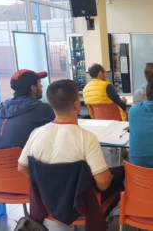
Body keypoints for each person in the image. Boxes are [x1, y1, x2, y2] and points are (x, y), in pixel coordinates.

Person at [18, 79, 124, 215]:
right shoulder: (86, 138)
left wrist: (47, 184)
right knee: (119, 173)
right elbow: (103, 183)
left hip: (49, 202)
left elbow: (22, 167)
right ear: (76, 104)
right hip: (81, 205)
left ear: (49, 104)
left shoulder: (36, 133)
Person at [0, 69, 54, 150]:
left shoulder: (1, 108)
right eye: (39, 82)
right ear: (33, 88)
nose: (41, 86)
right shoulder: (42, 109)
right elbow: (60, 131)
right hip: (26, 161)